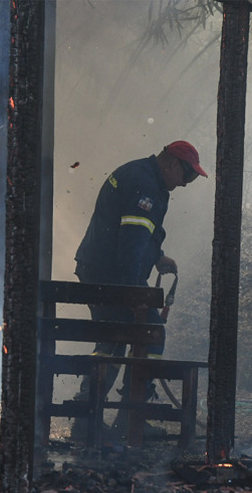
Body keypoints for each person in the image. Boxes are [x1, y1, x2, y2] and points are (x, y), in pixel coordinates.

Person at [72, 140, 208, 439]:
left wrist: (157, 256)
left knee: (112, 339)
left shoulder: (143, 176)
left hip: (102, 269)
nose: (185, 184)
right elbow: (130, 246)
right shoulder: (145, 186)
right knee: (151, 332)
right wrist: (135, 292)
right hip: (110, 274)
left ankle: (88, 418)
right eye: (187, 176)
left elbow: (137, 234)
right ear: (173, 164)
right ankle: (129, 417)